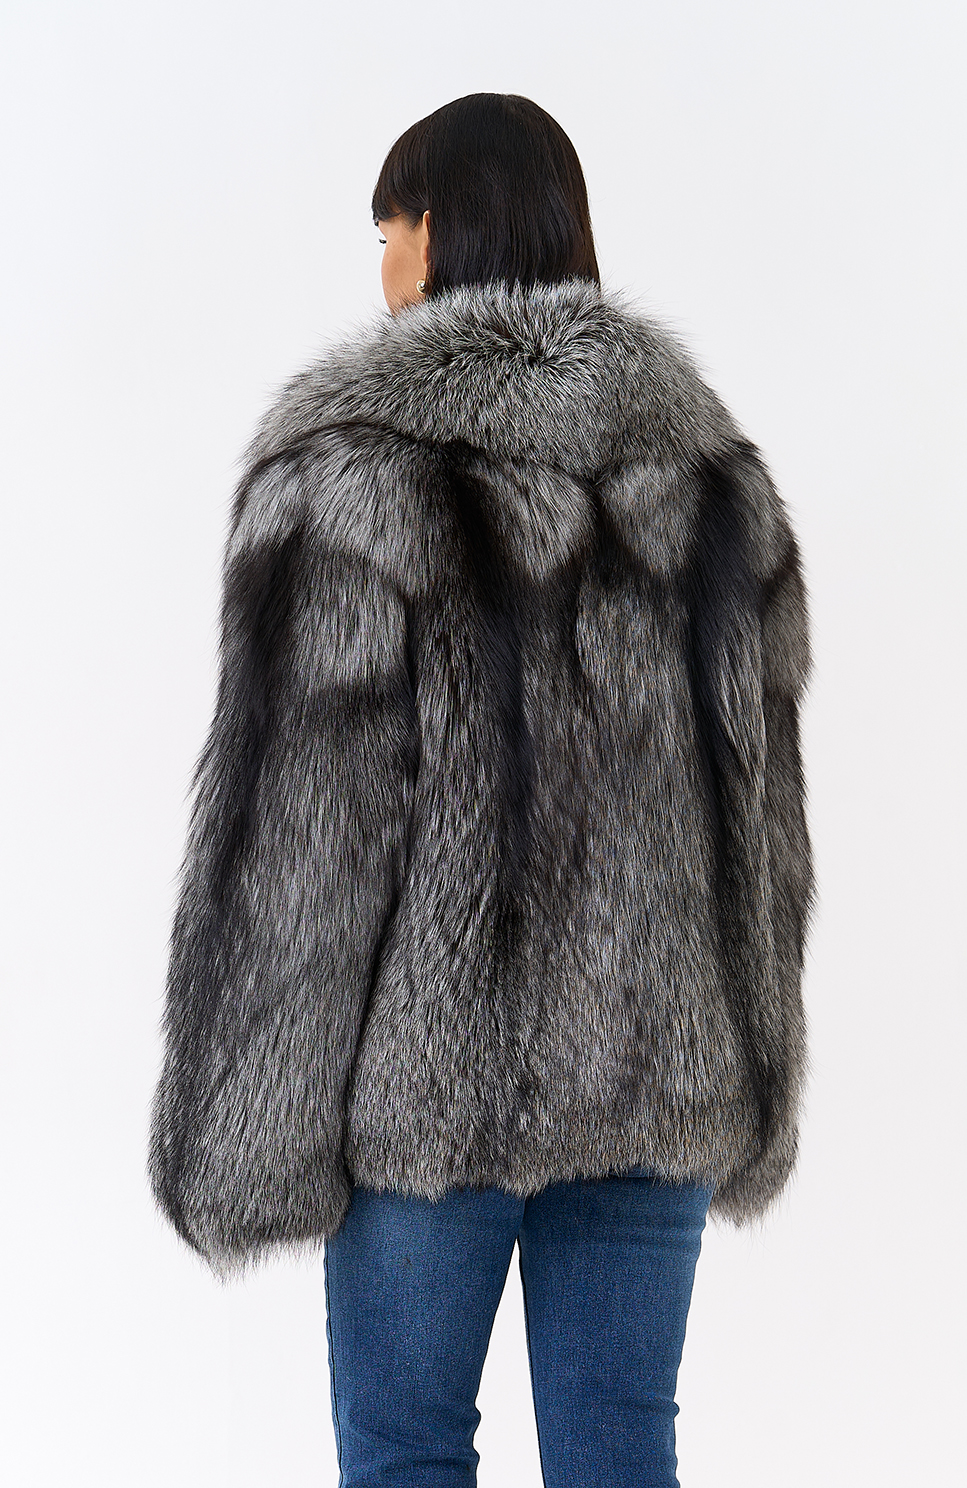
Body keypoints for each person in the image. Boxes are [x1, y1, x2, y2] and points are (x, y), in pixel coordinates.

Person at [147, 92, 815, 1488]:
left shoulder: (352, 479)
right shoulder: (712, 481)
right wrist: (754, 1064)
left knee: (404, 1453)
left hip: (426, 1092)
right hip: (660, 1072)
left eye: (391, 227)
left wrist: (251, 1125)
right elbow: (764, 826)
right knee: (621, 1450)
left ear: (443, 230)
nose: (385, 266)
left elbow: (305, 848)